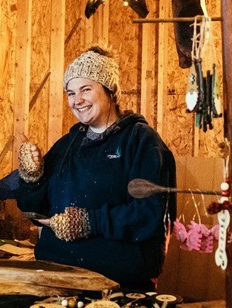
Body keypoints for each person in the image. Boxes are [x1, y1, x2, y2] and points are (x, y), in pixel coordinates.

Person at [15, 46, 176, 290]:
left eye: (86, 89)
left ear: (111, 91)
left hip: (116, 284)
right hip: (55, 277)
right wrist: (31, 179)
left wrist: (90, 222)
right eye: (71, 93)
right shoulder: (67, 145)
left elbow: (151, 215)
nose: (76, 100)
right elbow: (35, 211)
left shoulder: (141, 141)